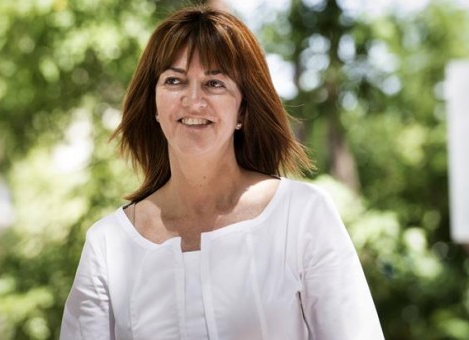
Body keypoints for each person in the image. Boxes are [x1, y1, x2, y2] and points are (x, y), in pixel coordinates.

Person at [60, 5, 384, 340]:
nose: (193, 100)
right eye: (174, 80)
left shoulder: (302, 215)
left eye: (214, 83)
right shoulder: (108, 244)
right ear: (154, 106)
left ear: (243, 109)